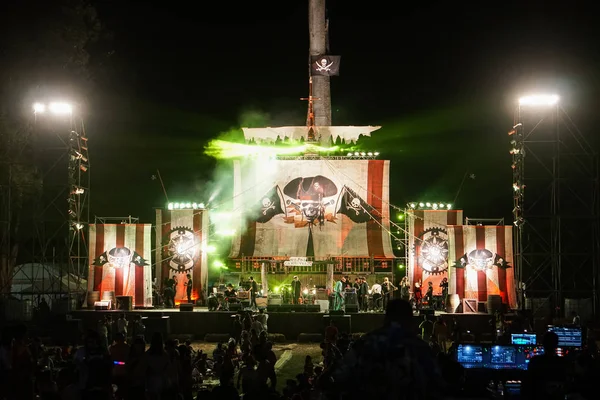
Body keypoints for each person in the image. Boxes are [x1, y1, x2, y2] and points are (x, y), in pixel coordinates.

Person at [332, 299, 444, 400]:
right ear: (410, 319)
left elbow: (340, 376)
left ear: (386, 317)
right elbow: (436, 384)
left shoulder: (365, 343)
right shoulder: (420, 348)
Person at [523, 331, 569, 400]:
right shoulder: (563, 363)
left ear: (543, 344)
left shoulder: (535, 361)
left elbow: (527, 385)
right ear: (556, 344)